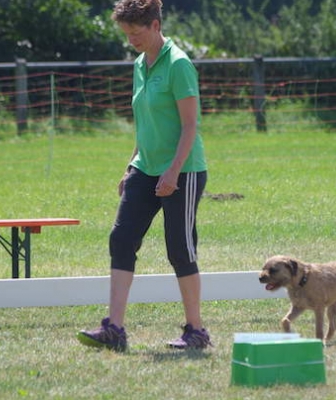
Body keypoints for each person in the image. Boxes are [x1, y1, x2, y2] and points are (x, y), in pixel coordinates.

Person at [77, 0, 210, 351]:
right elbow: (147, 124)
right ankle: (114, 329)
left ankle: (196, 331)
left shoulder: (179, 64)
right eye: (126, 34)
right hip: (145, 168)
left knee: (180, 249)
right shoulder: (139, 64)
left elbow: (189, 125)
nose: (131, 40)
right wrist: (132, 163)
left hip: (183, 170)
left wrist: (173, 172)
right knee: (121, 239)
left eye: (136, 33)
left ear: (154, 25)